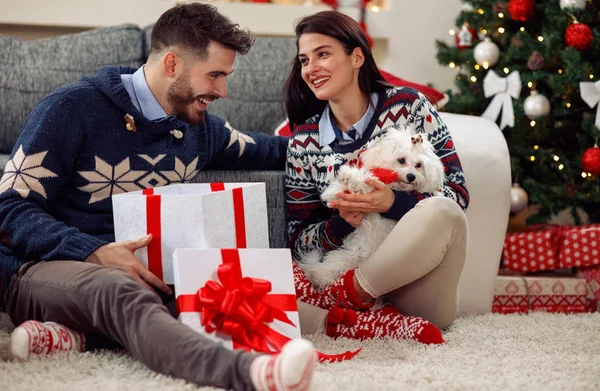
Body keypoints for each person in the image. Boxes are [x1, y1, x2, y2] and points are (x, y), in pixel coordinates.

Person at [0, 4, 318, 390]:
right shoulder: (71, 110)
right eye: (215, 75)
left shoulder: (200, 131)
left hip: (144, 277)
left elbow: (272, 149)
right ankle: (251, 373)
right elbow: (9, 207)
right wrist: (92, 250)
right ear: (171, 64)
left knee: (209, 294)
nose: (222, 91)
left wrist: (348, 153)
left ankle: (77, 338)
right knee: (121, 290)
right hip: (41, 269)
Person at [284, 11, 470, 340]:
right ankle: (367, 314)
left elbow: (457, 193)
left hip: (417, 290)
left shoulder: (410, 107)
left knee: (444, 211)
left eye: (323, 54)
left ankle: (353, 294)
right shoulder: (303, 143)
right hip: (347, 264)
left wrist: (392, 202)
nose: (310, 68)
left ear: (357, 57)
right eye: (304, 60)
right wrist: (342, 222)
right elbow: (298, 241)